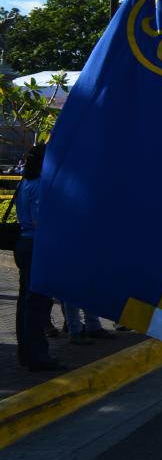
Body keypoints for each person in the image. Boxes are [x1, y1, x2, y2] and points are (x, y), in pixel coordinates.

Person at [13, 143, 65, 372]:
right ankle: (37, 355)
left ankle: (26, 352)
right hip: (37, 245)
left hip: (24, 242)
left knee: (25, 302)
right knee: (37, 304)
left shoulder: (24, 183)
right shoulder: (39, 186)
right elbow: (38, 220)